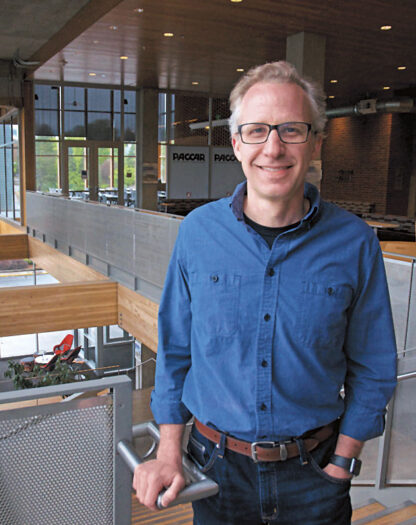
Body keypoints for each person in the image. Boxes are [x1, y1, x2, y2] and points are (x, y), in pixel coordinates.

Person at [133, 61, 397, 524]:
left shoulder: (354, 243)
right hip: (216, 469)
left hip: (316, 474)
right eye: (256, 131)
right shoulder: (197, 234)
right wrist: (169, 451)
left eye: (291, 130)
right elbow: (175, 352)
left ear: (316, 143)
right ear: (236, 143)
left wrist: (343, 462)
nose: (273, 148)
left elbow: (374, 365)